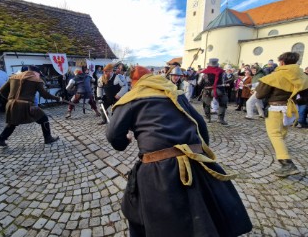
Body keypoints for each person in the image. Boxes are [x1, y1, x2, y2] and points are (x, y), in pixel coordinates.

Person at [106, 65, 252, 237]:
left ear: (134, 82)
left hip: (158, 170)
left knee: (158, 221)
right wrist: (200, 152)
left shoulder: (131, 98)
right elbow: (200, 125)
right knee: (202, 213)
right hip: (195, 160)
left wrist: (125, 140)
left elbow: (114, 136)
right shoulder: (175, 93)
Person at [255, 52, 308, 177]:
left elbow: (259, 95)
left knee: (275, 134)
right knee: (283, 131)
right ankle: (281, 150)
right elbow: (305, 98)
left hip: (276, 108)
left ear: (282, 62)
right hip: (291, 108)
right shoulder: (303, 76)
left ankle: (287, 163)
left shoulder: (275, 76)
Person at [0, 65, 62, 146]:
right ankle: (48, 138)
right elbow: (45, 95)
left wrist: (11, 99)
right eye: (38, 73)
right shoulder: (36, 80)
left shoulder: (13, 77)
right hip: (26, 106)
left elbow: (1, 90)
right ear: (35, 72)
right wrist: (58, 98)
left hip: (11, 104)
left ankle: (1, 139)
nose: (39, 75)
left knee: (12, 123)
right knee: (44, 118)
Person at [200, 58, 229, 125]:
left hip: (207, 90)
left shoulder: (204, 72)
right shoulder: (222, 71)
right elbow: (224, 81)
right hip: (219, 89)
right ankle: (220, 119)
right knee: (223, 103)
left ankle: (208, 118)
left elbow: (199, 83)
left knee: (206, 104)